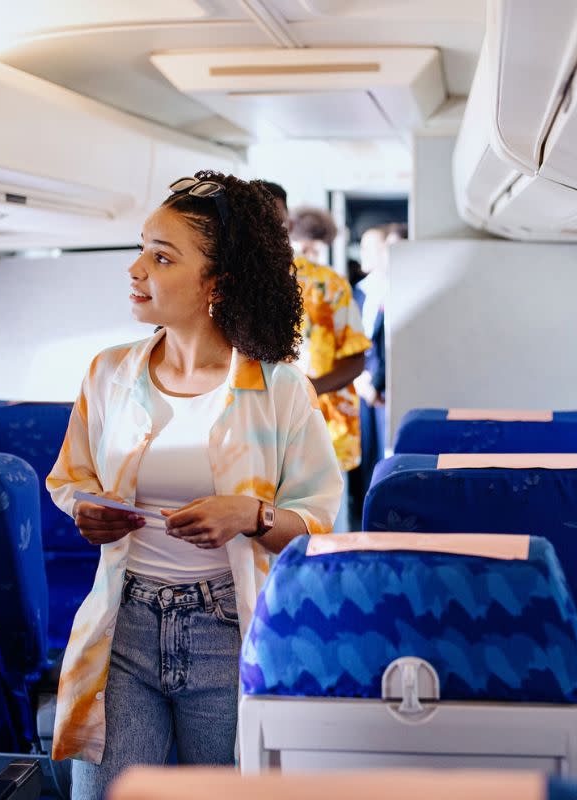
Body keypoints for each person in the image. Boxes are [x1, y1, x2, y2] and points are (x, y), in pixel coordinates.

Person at [47, 170, 343, 798]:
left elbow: (317, 527)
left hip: (229, 631)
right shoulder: (107, 375)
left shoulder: (281, 389)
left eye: (161, 257)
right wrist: (85, 511)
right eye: (140, 248)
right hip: (123, 625)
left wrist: (250, 514)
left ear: (216, 282)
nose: (135, 269)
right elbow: (71, 478)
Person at [258, 183, 371, 529]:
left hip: (325, 429)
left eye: (273, 222)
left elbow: (355, 358)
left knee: (329, 541)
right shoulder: (223, 287)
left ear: (288, 227)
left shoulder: (328, 284)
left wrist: (305, 389)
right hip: (259, 438)